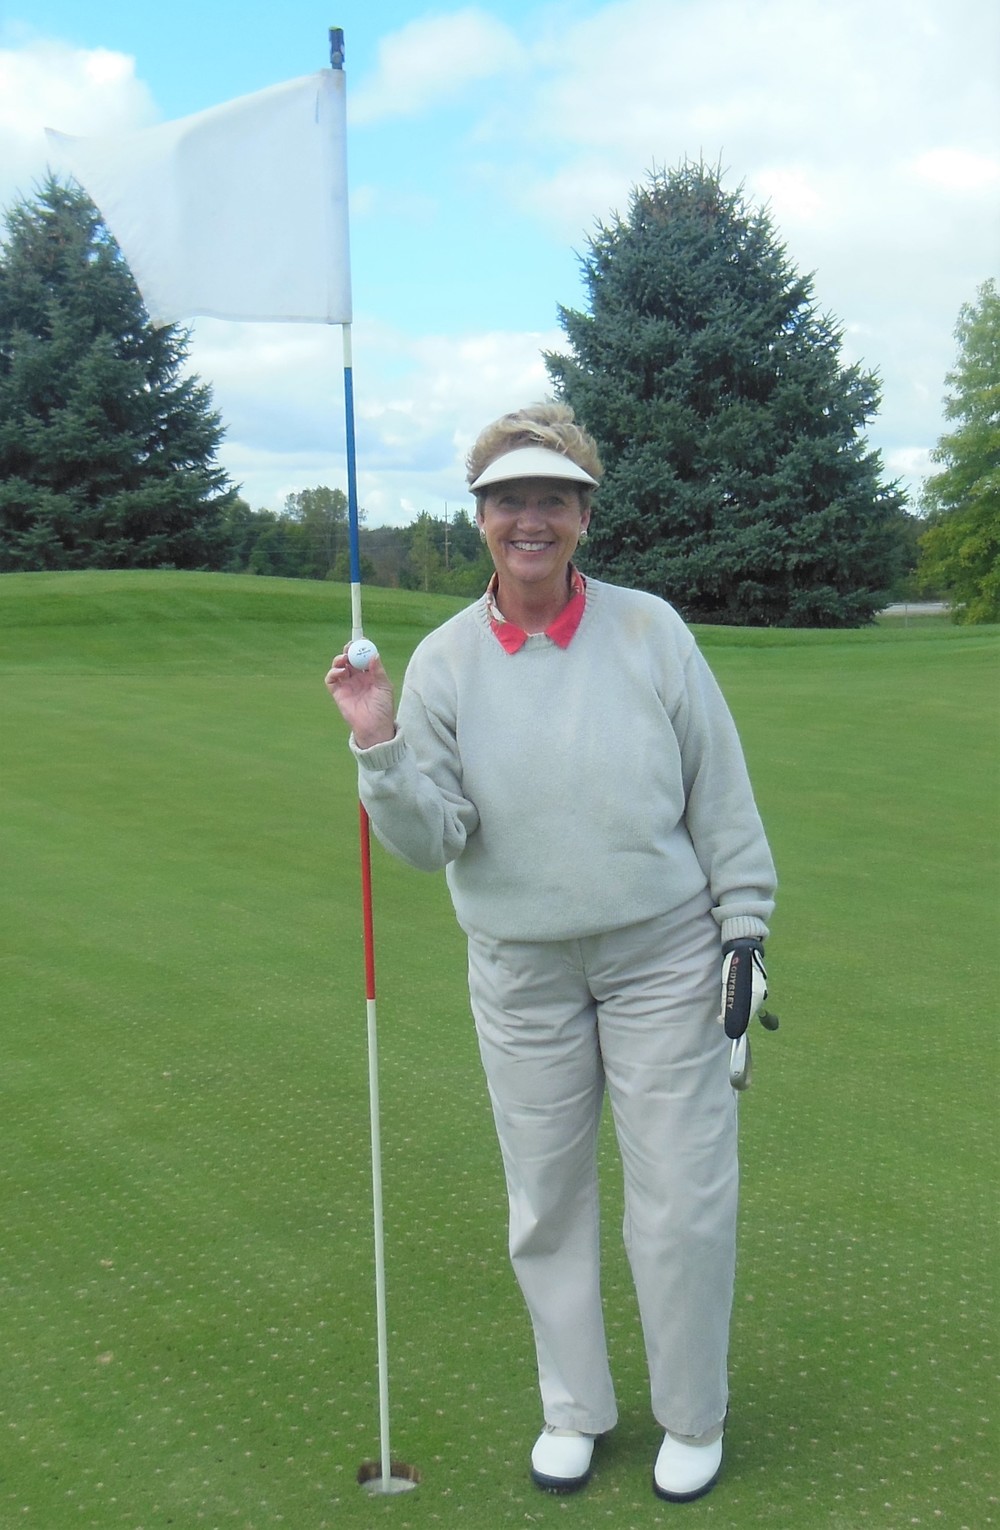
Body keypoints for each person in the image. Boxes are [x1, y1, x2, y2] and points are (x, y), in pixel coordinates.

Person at [325, 403, 776, 1503]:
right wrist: (378, 743)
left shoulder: (649, 631)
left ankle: (692, 1415)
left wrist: (745, 926)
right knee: (545, 1203)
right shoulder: (441, 661)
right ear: (481, 516)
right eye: (509, 500)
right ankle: (573, 1409)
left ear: (583, 515)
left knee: (682, 1198)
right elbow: (432, 842)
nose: (530, 519)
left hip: (662, 955)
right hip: (520, 973)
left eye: (553, 499)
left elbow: (717, 788)